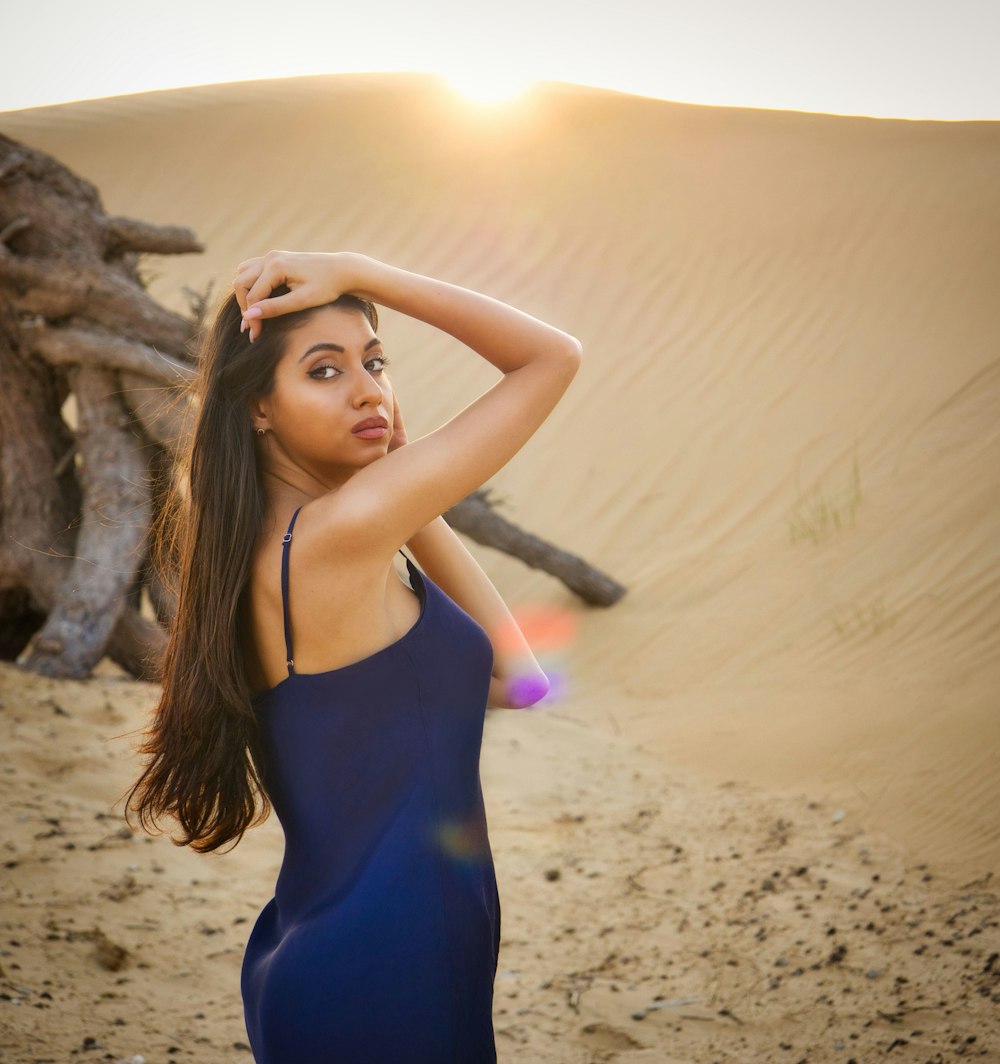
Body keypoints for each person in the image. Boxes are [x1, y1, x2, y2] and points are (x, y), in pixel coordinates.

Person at [124, 250, 581, 1063]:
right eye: (325, 371)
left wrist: (407, 487)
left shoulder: (282, 547)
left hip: (335, 959)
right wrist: (363, 270)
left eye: (375, 362)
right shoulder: (334, 538)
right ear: (259, 407)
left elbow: (523, 681)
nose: (370, 390)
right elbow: (552, 357)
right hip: (387, 973)